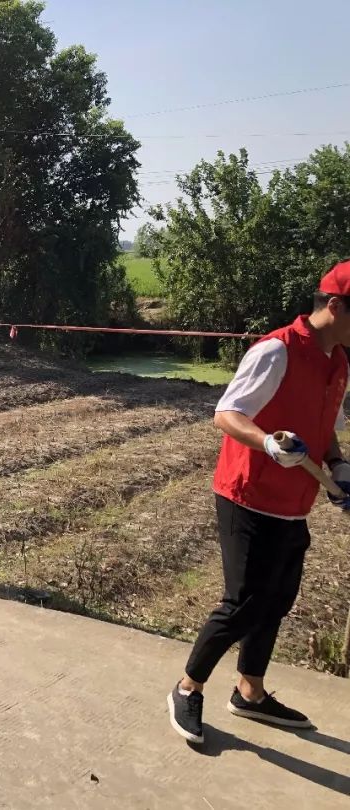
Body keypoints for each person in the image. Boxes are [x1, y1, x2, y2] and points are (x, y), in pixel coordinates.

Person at [167, 260, 350, 744]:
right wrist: (268, 443)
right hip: (248, 496)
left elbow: (322, 425)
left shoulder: (338, 360)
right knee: (244, 603)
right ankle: (187, 688)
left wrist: (339, 466)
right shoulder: (277, 351)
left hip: (295, 502)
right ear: (335, 306)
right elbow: (227, 413)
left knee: (277, 601)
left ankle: (249, 692)